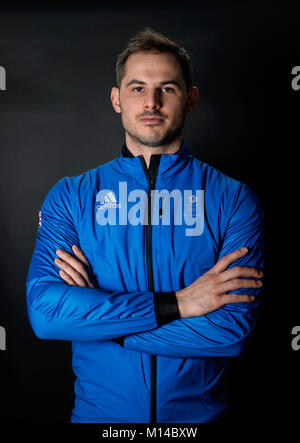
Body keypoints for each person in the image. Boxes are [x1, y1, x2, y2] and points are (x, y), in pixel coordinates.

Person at [26, 28, 264, 423]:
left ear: (191, 99)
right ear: (117, 99)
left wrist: (101, 323)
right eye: (137, 88)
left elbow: (231, 331)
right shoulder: (71, 195)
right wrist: (182, 304)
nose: (151, 102)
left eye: (167, 88)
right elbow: (46, 313)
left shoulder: (234, 199)